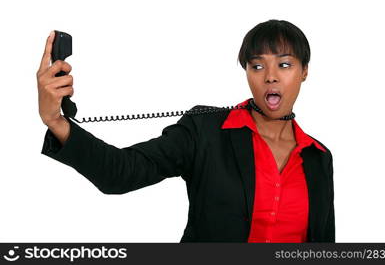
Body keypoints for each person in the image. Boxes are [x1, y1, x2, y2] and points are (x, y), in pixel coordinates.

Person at [37, 19, 335, 243]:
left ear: (304, 71)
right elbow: (119, 172)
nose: (270, 77)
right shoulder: (205, 131)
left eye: (284, 65)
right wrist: (57, 121)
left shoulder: (319, 157)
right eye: (257, 67)